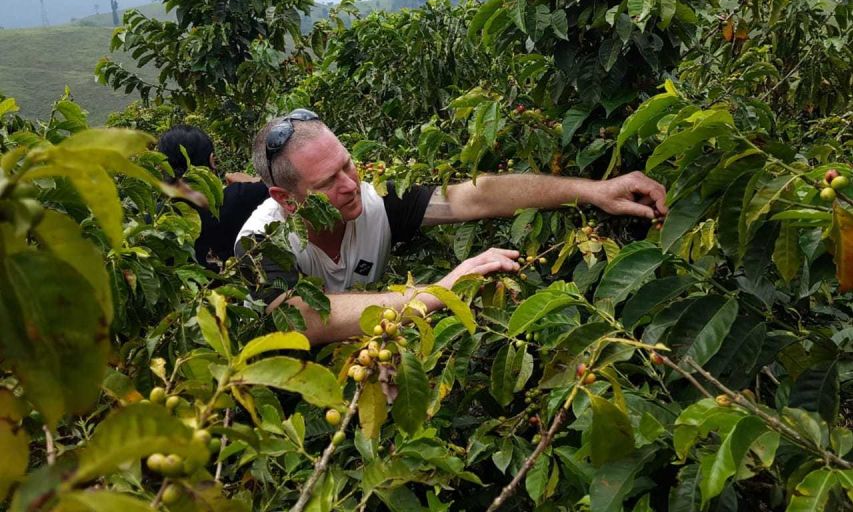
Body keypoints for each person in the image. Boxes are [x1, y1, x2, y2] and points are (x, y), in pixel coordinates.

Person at [236, 110, 668, 345]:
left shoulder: (374, 199)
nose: (350, 184)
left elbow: (474, 196)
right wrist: (439, 291)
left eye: (348, 164)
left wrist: (593, 190)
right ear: (286, 199)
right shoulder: (259, 244)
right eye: (328, 182)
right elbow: (301, 319)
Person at [157, 125, 269, 271]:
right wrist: (252, 181)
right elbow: (284, 188)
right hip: (237, 291)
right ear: (211, 161)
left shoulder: (155, 217)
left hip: (189, 293)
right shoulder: (240, 197)